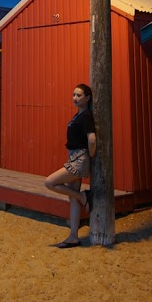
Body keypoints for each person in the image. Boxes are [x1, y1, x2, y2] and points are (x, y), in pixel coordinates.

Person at [44, 83, 97, 248]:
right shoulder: (78, 115)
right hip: (74, 157)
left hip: (79, 159)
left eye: (79, 95)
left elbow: (92, 138)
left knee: (49, 182)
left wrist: (90, 156)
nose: (75, 98)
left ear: (87, 98)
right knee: (72, 197)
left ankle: (83, 197)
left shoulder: (87, 115)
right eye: (74, 94)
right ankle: (73, 236)